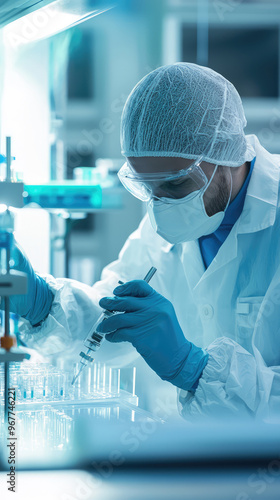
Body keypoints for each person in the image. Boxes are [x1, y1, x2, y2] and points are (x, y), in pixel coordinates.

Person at [10, 63, 280, 420]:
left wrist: (194, 369)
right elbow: (112, 318)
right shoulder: (173, 214)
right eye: (148, 188)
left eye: (174, 185)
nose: (162, 205)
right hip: (184, 465)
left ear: (224, 156)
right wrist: (43, 302)